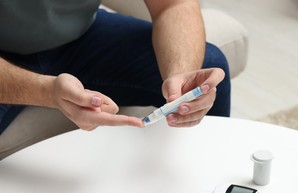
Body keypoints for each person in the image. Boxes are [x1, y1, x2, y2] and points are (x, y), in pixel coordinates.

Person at [0, 0, 231, 137]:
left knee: (208, 64)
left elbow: (173, 4)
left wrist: (180, 73)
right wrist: (45, 91)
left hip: (79, 35)